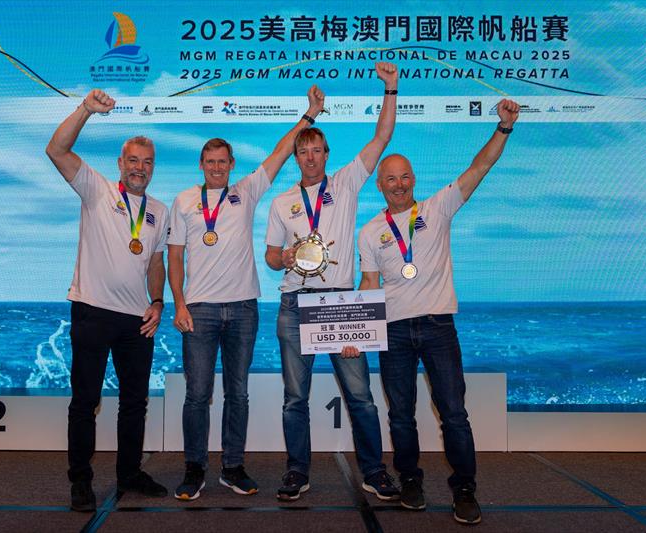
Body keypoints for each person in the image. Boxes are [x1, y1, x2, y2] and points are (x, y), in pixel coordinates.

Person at [354, 99, 520, 525]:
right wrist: (354, 333)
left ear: (414, 179)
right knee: (400, 414)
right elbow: (370, 286)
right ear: (379, 185)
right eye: (390, 178)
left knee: (454, 414)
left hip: (438, 327)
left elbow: (479, 167)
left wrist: (503, 129)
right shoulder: (370, 233)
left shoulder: (438, 208)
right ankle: (410, 480)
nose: (399, 184)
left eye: (405, 176)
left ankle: (464, 489)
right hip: (392, 332)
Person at [168, 86, 326, 500]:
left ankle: (233, 467)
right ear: (201, 164)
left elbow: (278, 153)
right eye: (210, 162)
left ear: (231, 164)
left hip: (242, 310)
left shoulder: (246, 191)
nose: (217, 168)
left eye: (223, 162)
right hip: (198, 311)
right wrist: (179, 304)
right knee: (197, 395)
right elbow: (174, 259)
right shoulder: (184, 201)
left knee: (237, 392)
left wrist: (308, 116)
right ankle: (194, 468)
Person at [264, 62, 399, 501]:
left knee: (360, 396)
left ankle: (374, 472)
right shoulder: (283, 202)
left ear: (326, 154)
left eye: (318, 150)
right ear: (297, 157)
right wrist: (283, 256)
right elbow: (269, 257)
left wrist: (391, 89)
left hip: (341, 303)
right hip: (295, 304)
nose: (310, 157)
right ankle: (296, 473)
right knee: (294, 399)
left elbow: (380, 139)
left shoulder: (346, 183)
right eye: (303, 152)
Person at [46, 89, 170, 511]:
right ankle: (80, 481)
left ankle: (129, 473)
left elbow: (155, 262)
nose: (140, 168)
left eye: (147, 161)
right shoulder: (97, 189)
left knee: (135, 403)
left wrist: (158, 301)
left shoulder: (159, 210)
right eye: (133, 160)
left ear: (154, 167)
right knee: (86, 401)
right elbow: (56, 148)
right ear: (120, 164)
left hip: (138, 320)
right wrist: (85, 110)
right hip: (93, 312)